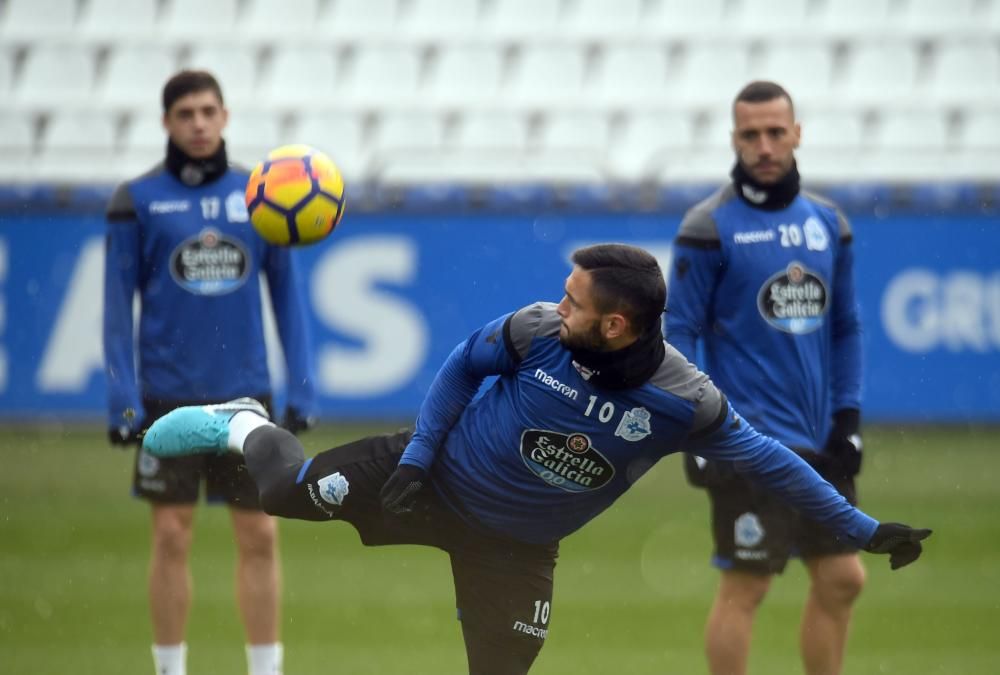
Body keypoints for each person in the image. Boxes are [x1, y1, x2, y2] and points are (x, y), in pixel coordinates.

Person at [141, 244, 929, 675]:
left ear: (618, 325)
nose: (559, 305)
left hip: (516, 552)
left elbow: (773, 464)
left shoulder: (684, 400)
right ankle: (241, 422)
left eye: (576, 301)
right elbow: (460, 365)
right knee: (286, 492)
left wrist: (861, 528)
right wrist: (416, 458)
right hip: (431, 475)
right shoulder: (535, 328)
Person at [103, 70, 316, 675]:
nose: (197, 123)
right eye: (184, 114)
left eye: (207, 111)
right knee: (171, 534)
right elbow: (117, 305)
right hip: (166, 400)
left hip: (247, 399)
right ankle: (170, 669)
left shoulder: (263, 194)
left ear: (224, 117)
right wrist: (121, 395)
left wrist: (301, 386)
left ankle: (265, 670)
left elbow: (288, 299)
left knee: (260, 535)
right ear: (166, 123)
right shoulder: (136, 201)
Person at [665, 80, 872, 675]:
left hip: (819, 440)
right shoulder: (709, 226)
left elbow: (847, 326)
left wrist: (849, 418)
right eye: (750, 134)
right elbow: (679, 331)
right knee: (747, 586)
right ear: (734, 139)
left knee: (841, 577)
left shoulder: (829, 223)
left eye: (775, 132)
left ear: (797, 134)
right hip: (748, 441)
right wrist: (695, 427)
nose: (763, 145)